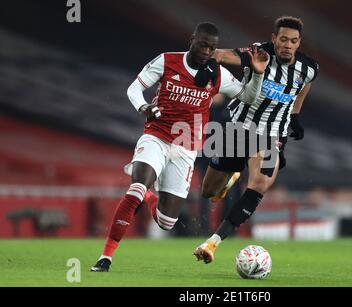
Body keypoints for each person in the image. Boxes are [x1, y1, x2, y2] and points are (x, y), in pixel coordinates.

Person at [90, 22, 269, 272]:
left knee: (167, 221)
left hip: (186, 147)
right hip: (157, 136)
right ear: (192, 39)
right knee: (136, 189)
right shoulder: (167, 61)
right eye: (203, 44)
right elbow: (135, 88)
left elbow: (249, 97)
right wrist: (144, 107)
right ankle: (105, 257)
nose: (207, 51)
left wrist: (258, 74)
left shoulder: (218, 75)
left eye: (212, 47)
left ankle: (151, 195)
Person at [193, 16, 319, 264]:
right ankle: (231, 178)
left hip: (272, 136)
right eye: (283, 39)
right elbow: (219, 54)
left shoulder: (309, 68)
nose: (287, 45)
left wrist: (294, 117)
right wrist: (209, 67)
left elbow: (303, 89)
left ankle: (212, 243)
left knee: (260, 183)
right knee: (209, 191)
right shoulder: (257, 53)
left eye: (293, 41)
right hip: (238, 129)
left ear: (298, 43)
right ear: (274, 39)